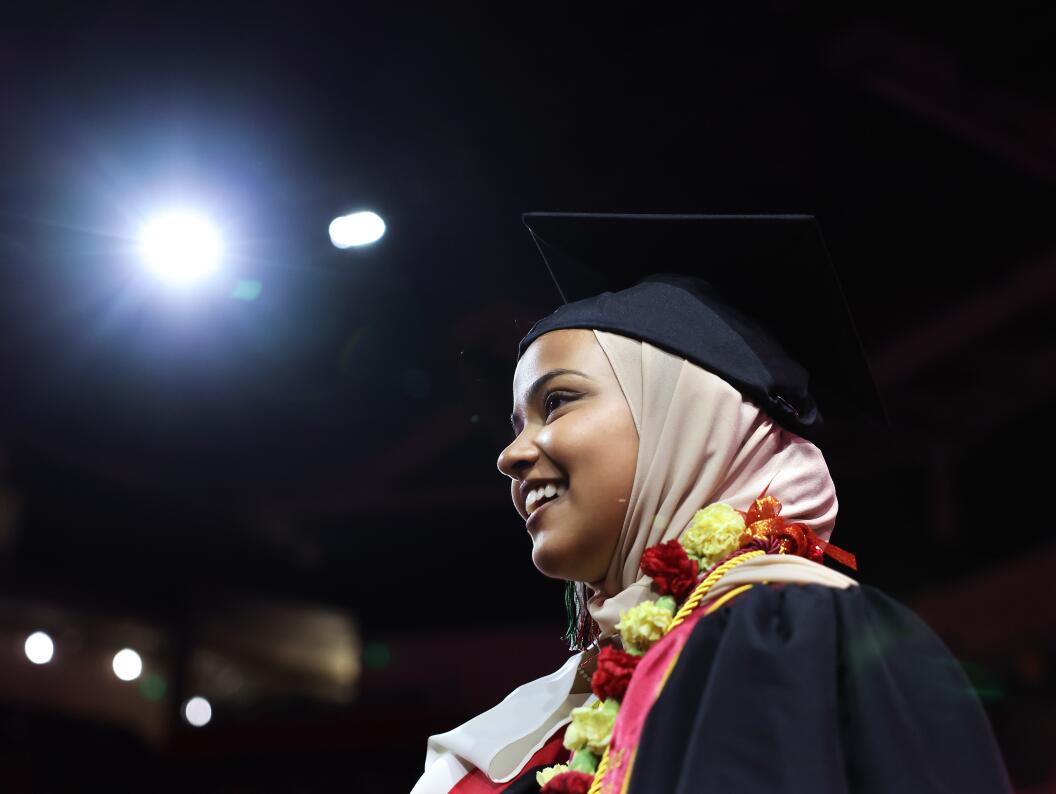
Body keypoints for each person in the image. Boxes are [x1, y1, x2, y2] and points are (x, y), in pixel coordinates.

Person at [409, 214, 1012, 794]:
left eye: (558, 402)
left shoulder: (791, 636)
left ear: (690, 419)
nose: (510, 455)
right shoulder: (544, 729)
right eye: (516, 423)